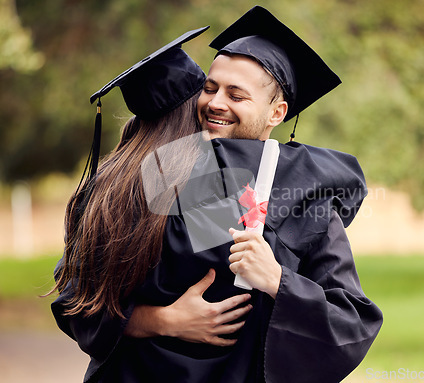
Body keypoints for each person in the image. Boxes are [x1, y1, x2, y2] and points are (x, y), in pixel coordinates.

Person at [52, 6, 383, 383]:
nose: (215, 103)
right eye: (209, 88)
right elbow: (78, 301)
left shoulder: (308, 198)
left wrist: (277, 279)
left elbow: (350, 325)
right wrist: (162, 320)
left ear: (278, 113)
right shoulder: (145, 184)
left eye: (236, 95)